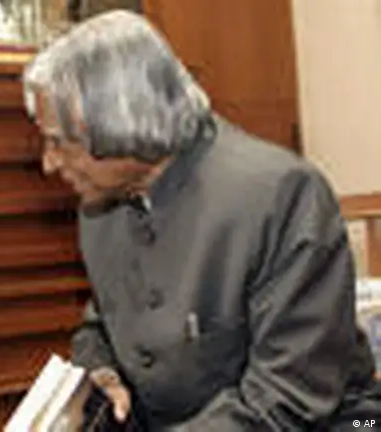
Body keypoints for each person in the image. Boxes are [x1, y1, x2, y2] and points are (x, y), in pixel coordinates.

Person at [22, 10, 381, 431]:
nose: (49, 163)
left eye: (59, 142)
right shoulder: (101, 205)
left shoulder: (279, 195)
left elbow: (287, 398)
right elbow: (103, 321)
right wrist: (100, 371)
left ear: (119, 126)